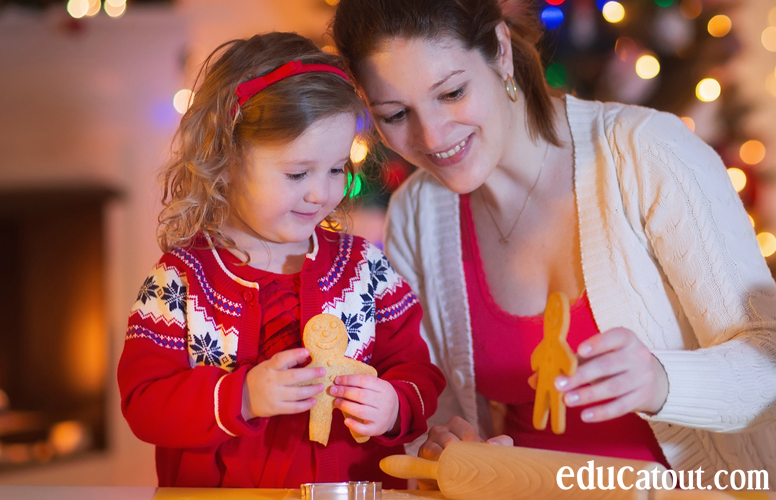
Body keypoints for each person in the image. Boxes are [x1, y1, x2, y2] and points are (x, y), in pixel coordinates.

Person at [331, 0, 776, 475]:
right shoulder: (417, 213)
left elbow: (768, 357)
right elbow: (437, 408)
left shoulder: (648, 153)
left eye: (452, 92)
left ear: (500, 50)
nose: (433, 135)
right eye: (396, 115)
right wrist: (445, 443)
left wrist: (663, 381)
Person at [117, 32, 446, 488]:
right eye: (297, 173)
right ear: (227, 160)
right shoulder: (181, 281)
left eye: (335, 169)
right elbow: (144, 403)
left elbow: (417, 371)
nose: (321, 192)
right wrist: (244, 397)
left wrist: (394, 404)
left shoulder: (365, 270)